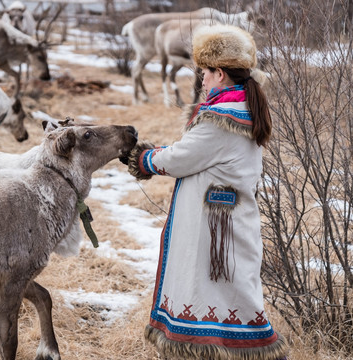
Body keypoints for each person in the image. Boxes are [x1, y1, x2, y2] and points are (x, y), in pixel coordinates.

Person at [127, 24, 288, 360]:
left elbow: (181, 158)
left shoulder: (219, 118)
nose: (200, 79)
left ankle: (248, 352)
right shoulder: (246, 106)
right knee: (232, 290)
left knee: (214, 289)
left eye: (203, 72)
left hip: (212, 225)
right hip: (230, 217)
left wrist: (143, 157)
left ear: (219, 73)